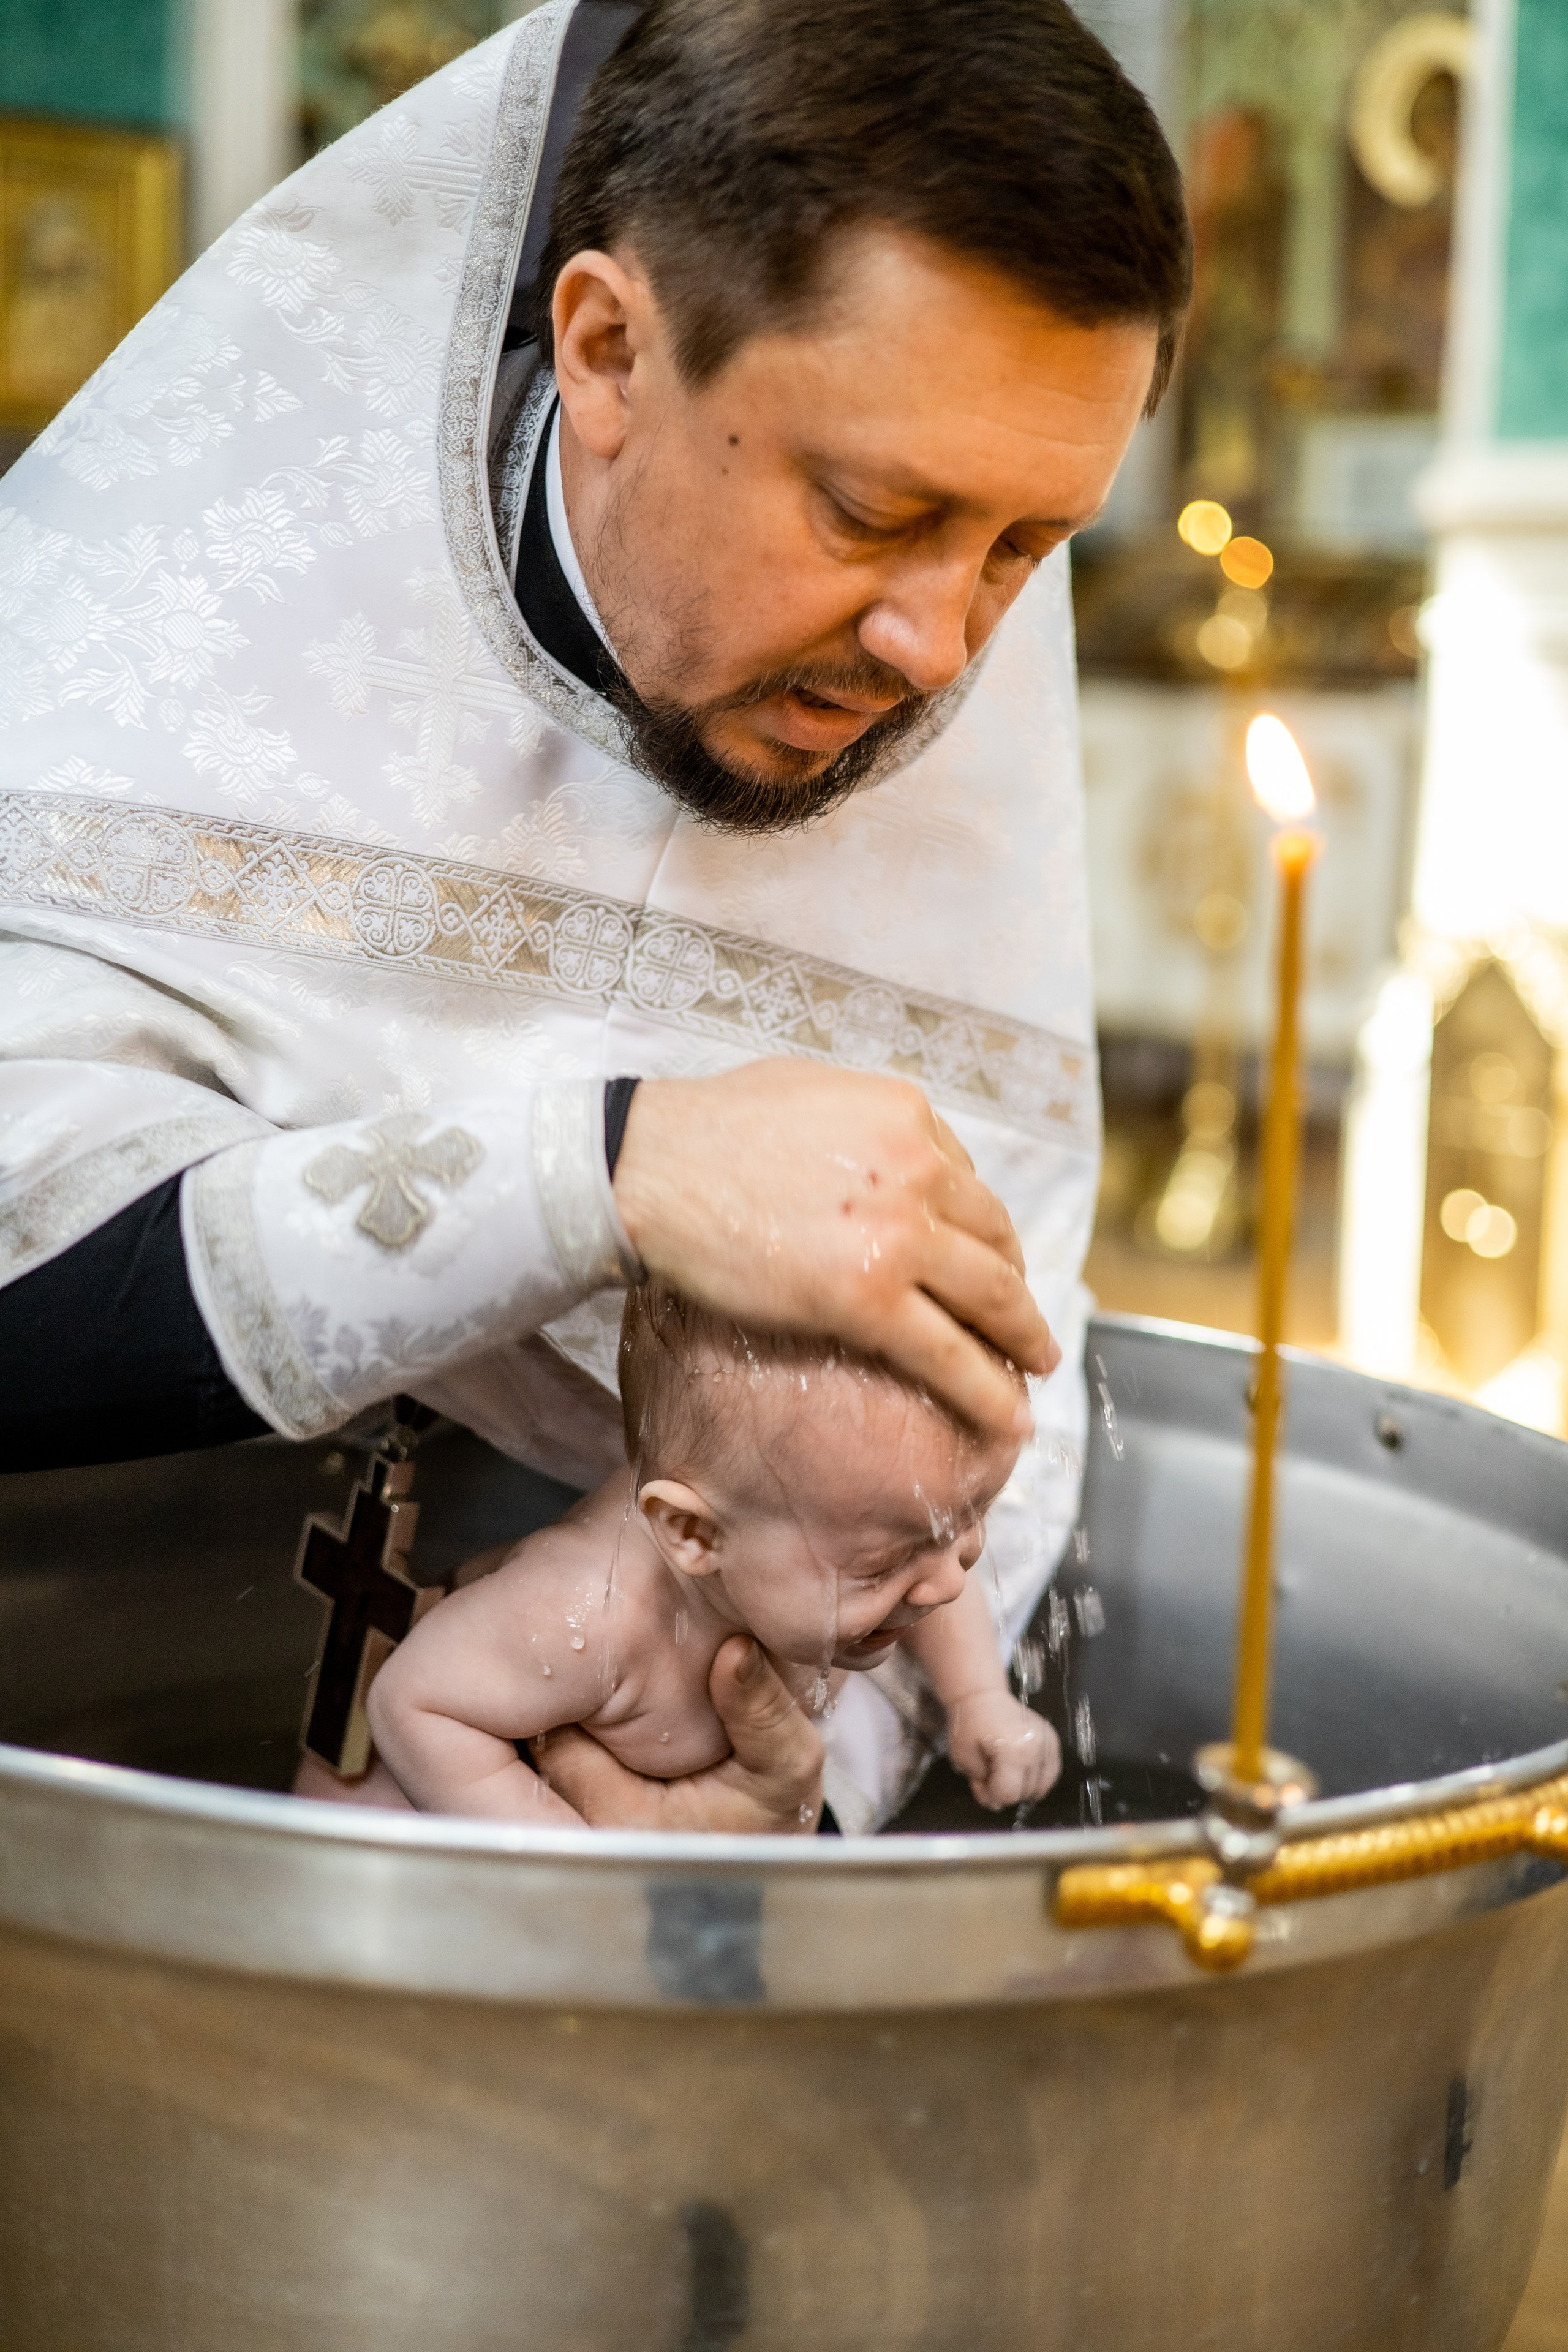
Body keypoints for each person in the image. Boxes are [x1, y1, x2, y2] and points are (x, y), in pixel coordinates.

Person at [0, 0, 1189, 1829]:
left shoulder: (943, 671)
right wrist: (601, 1170)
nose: (940, 648)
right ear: (609, 345)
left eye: (1026, 548)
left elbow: (994, 1385)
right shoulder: (167, 655)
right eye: (873, 510)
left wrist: (800, 1763)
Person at [309, 1282, 1060, 1823]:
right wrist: (565, 1865)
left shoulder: (857, 1532)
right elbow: (412, 1700)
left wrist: (978, 1701)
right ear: (694, 1535)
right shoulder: (585, 1615)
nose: (945, 1587)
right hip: (408, 1809)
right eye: (881, 1564)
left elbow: (922, 1555)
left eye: (968, 1525)